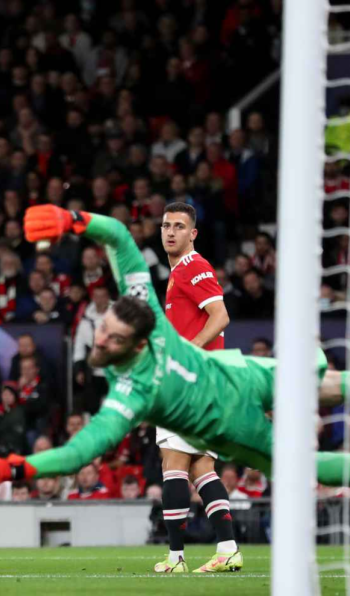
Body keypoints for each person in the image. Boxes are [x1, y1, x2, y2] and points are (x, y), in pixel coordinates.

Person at [0, 206, 350, 514]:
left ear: (133, 344)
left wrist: (15, 469)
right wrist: (76, 220)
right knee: (329, 403)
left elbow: (80, 451)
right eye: (102, 332)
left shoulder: (135, 389)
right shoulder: (141, 324)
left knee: (316, 434)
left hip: (235, 407)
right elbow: (122, 241)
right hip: (238, 391)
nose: (100, 339)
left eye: (108, 338)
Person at [155, 202, 237, 574]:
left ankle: (175, 558)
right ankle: (228, 549)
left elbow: (221, 316)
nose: (171, 232)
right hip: (204, 381)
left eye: (179, 226)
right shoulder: (178, 272)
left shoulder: (193, 266)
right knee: (202, 467)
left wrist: (190, 351)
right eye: (166, 226)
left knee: (173, 462)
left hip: (192, 380)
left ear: (193, 233)